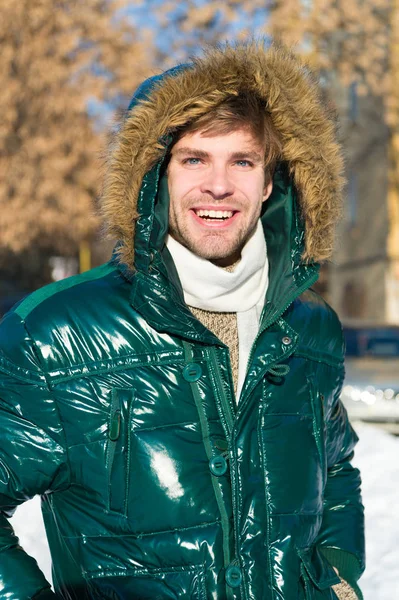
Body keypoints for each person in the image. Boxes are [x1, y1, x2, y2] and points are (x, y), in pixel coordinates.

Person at [0, 42, 365, 599]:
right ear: (155, 177)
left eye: (242, 161)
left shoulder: (311, 331)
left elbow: (336, 469)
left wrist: (336, 576)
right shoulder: (56, 335)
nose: (218, 185)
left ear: (270, 183)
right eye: (194, 159)